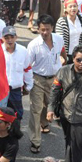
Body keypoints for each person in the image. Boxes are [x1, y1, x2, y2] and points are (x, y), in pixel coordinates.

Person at [47, 44, 82, 162]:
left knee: (77, 145)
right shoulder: (63, 71)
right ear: (73, 59)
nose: (81, 63)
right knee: (69, 141)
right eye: (79, 60)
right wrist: (50, 109)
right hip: (65, 115)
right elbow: (55, 91)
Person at [27, 15, 66, 154]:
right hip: (37, 79)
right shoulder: (33, 45)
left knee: (49, 104)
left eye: (47, 29)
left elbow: (62, 51)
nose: (45, 32)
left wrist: (65, 63)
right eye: (42, 29)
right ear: (38, 29)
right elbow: (27, 65)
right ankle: (35, 141)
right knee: (35, 109)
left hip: (54, 79)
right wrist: (26, 83)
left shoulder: (59, 39)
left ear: (52, 28)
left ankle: (44, 123)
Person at [1, 26, 33, 119]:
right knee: (1, 116)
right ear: (2, 39)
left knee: (17, 115)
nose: (9, 40)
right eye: (6, 37)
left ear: (16, 37)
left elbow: (27, 68)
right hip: (2, 90)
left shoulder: (23, 51)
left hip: (15, 90)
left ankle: (15, 132)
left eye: (12, 37)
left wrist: (29, 85)